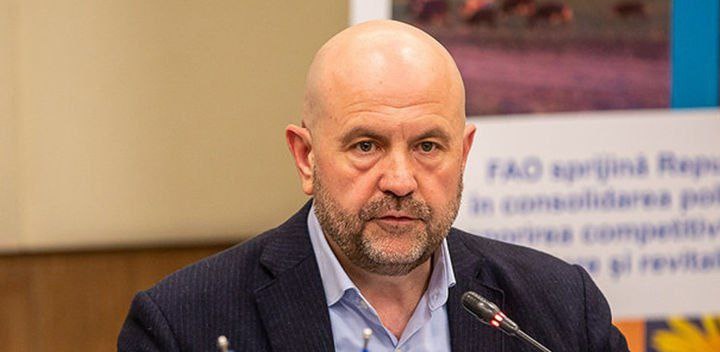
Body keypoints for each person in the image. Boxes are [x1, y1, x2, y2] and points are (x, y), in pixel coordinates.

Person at [118, 20, 629, 351]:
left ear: (463, 154)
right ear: (306, 157)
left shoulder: (560, 309)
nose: (400, 181)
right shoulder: (182, 325)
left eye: (428, 146)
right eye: (366, 146)